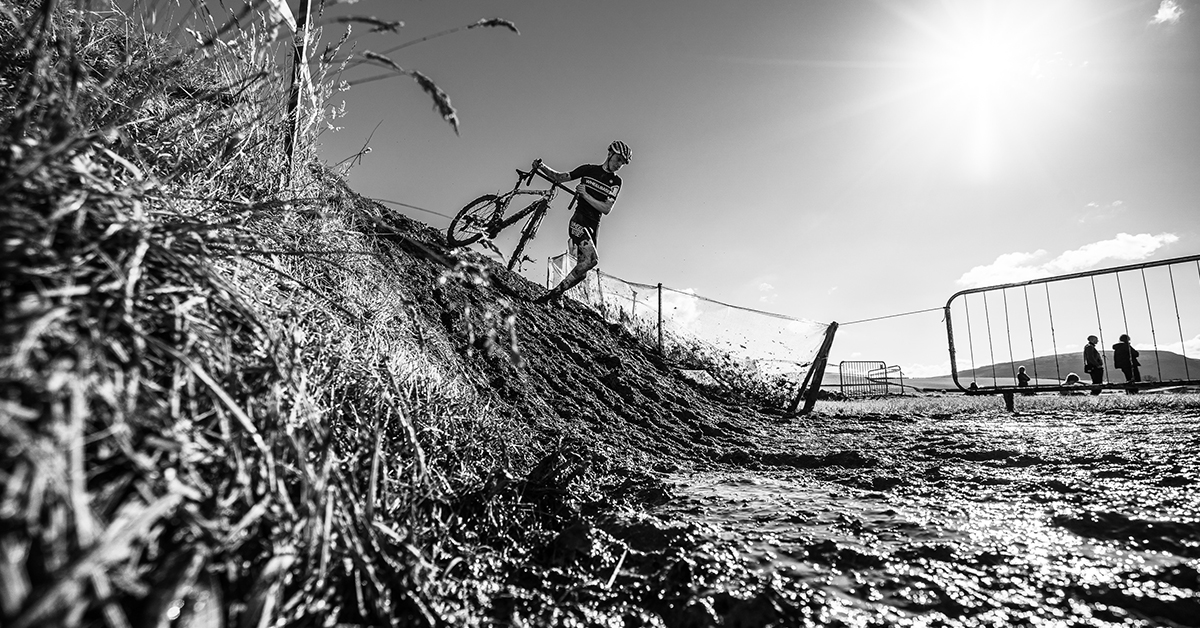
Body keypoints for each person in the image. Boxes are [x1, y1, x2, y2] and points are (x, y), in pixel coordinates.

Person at [534, 140, 632, 305]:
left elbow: (606, 208)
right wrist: (541, 167)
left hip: (594, 226)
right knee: (592, 260)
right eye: (618, 159)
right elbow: (560, 177)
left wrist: (585, 194)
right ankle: (554, 294)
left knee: (583, 271)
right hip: (579, 220)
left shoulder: (616, 182)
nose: (619, 164)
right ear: (609, 154)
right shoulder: (589, 170)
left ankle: (556, 294)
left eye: (623, 162)